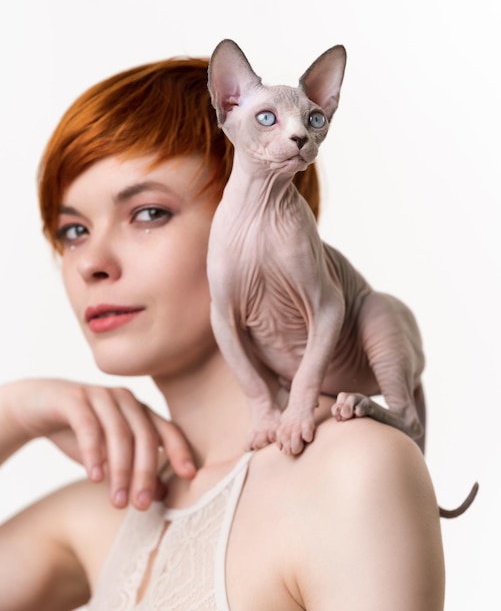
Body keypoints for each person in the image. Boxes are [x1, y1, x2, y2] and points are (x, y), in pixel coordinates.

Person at [0, 55, 445, 610]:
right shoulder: (109, 507)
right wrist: (16, 411)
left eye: (149, 213)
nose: (92, 263)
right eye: (73, 230)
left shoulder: (351, 470)